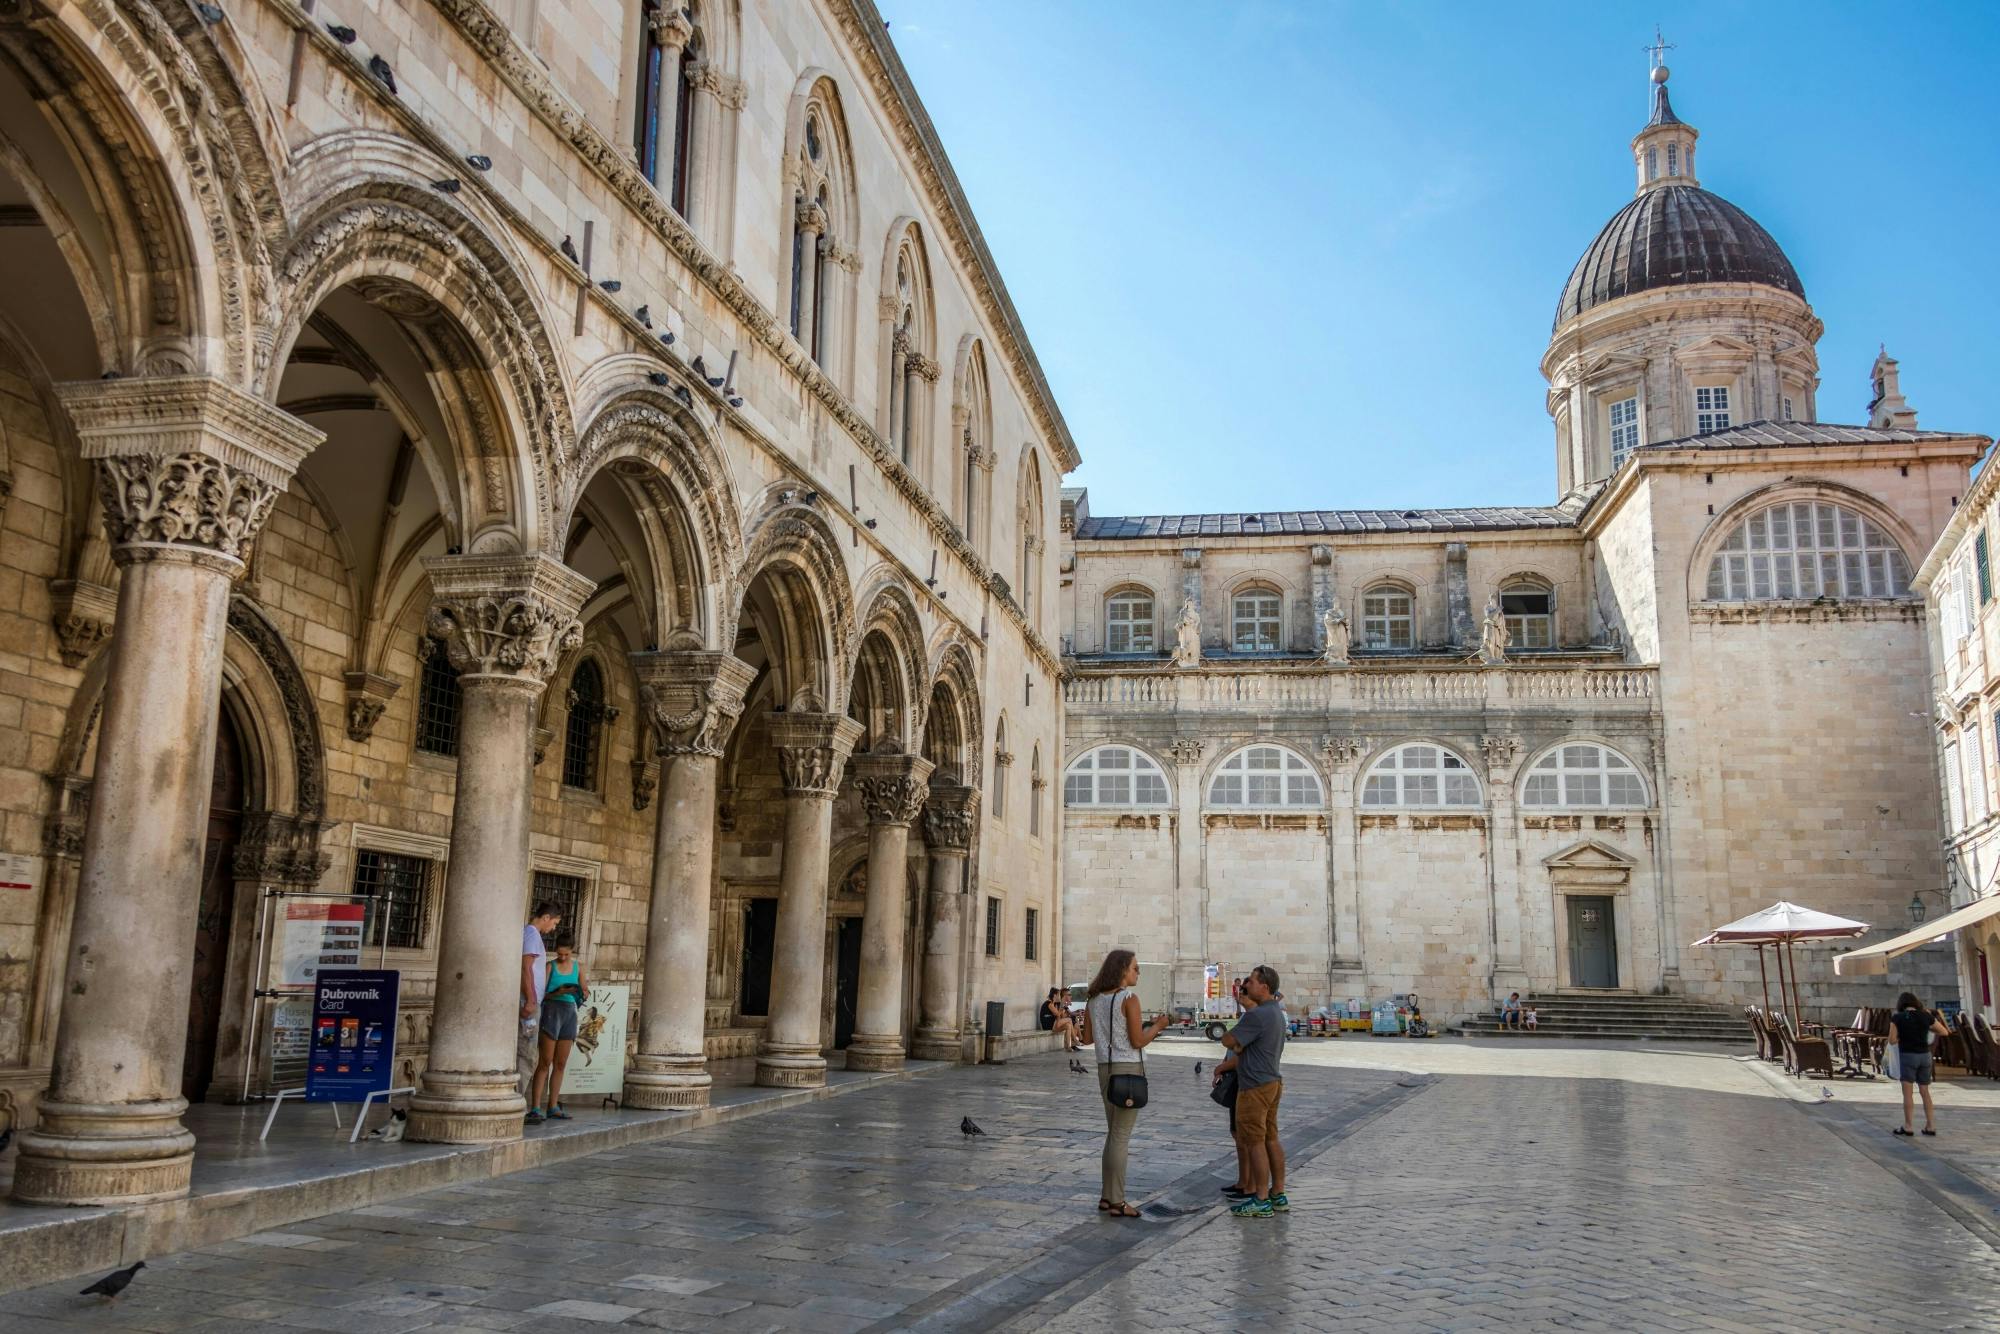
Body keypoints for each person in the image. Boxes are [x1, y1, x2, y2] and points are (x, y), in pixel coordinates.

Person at [1079, 949, 1172, 1218]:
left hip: (1104, 1070)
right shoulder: (1129, 999)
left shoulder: (1094, 1000)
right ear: (1122, 970)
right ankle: (1117, 1201)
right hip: (1128, 1068)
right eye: (1135, 968)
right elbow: (1138, 1041)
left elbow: (1086, 1039)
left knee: (1113, 1134)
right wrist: (1159, 1026)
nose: (1138, 972)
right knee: (1120, 1137)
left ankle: (1107, 1197)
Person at [1218, 965, 1287, 1217]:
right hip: (1272, 1081)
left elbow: (1228, 1040)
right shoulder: (1275, 1012)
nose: (1247, 986)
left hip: (1254, 1086)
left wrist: (1234, 1042)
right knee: (1270, 1138)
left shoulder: (1257, 1015)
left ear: (1264, 987)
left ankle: (1260, 1197)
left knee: (1254, 1142)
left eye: (1252, 982)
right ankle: (1278, 1193)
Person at [527, 934, 588, 1124]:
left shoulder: (578, 967)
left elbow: (585, 990)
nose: (562, 958)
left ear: (571, 951)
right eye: (560, 954)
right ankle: (535, 1107)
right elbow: (541, 993)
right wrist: (557, 992)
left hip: (569, 1012)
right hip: (552, 1011)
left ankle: (553, 1105)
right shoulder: (550, 967)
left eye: (566, 955)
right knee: (545, 1062)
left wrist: (581, 992)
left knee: (560, 1063)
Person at [1889, 991, 1951, 1138]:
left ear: (1901, 1004)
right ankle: (1930, 1125)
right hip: (1925, 1056)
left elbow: (1891, 1040)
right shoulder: (1926, 1016)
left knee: (1908, 1094)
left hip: (1908, 1056)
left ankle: (1908, 1126)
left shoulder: (1897, 1018)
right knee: (1925, 1092)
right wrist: (1927, 1028)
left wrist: (1902, 1038)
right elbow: (1944, 1032)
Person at [519, 901, 560, 1121]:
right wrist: (531, 1000)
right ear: (546, 917)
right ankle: (516, 1106)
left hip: (531, 1002)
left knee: (527, 1053)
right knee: (526, 1054)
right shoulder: (533, 935)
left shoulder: (529, 934)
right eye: (554, 923)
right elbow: (525, 968)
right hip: (529, 1002)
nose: (553, 928)